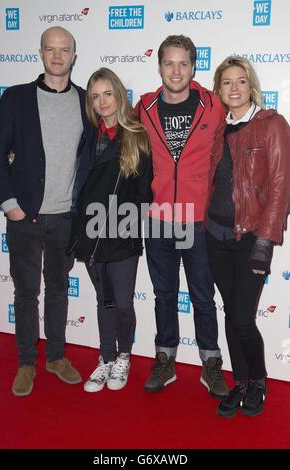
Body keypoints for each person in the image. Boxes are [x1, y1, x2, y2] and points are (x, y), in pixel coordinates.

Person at [0, 26, 96, 396]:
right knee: (25, 293)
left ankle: (55, 357)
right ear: (40, 53)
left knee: (58, 289)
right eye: (50, 49)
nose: (57, 56)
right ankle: (25, 363)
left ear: (73, 56)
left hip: (65, 219)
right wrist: (9, 205)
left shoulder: (86, 102)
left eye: (64, 49)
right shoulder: (16, 99)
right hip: (25, 218)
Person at [135, 35, 228, 398]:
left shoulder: (214, 105)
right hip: (158, 219)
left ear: (194, 66)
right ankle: (165, 359)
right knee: (163, 295)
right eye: (169, 63)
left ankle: (210, 362)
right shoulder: (142, 107)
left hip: (197, 221)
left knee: (203, 297)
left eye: (183, 63)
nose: (176, 71)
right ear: (159, 66)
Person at [206, 55, 290, 417]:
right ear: (219, 89)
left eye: (241, 81)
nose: (234, 88)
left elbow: (280, 188)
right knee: (230, 313)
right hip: (214, 235)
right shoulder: (219, 129)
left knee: (242, 317)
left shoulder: (271, 125)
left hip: (250, 238)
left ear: (250, 84)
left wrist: (263, 244)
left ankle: (258, 380)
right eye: (227, 82)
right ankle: (239, 380)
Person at [68, 67, 152, 393]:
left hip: (122, 232)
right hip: (90, 232)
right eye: (95, 96)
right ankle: (105, 357)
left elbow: (145, 191)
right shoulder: (88, 135)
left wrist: (125, 223)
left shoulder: (137, 135)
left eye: (107, 93)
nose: (102, 102)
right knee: (104, 300)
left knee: (124, 303)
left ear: (118, 94)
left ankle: (124, 356)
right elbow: (78, 183)